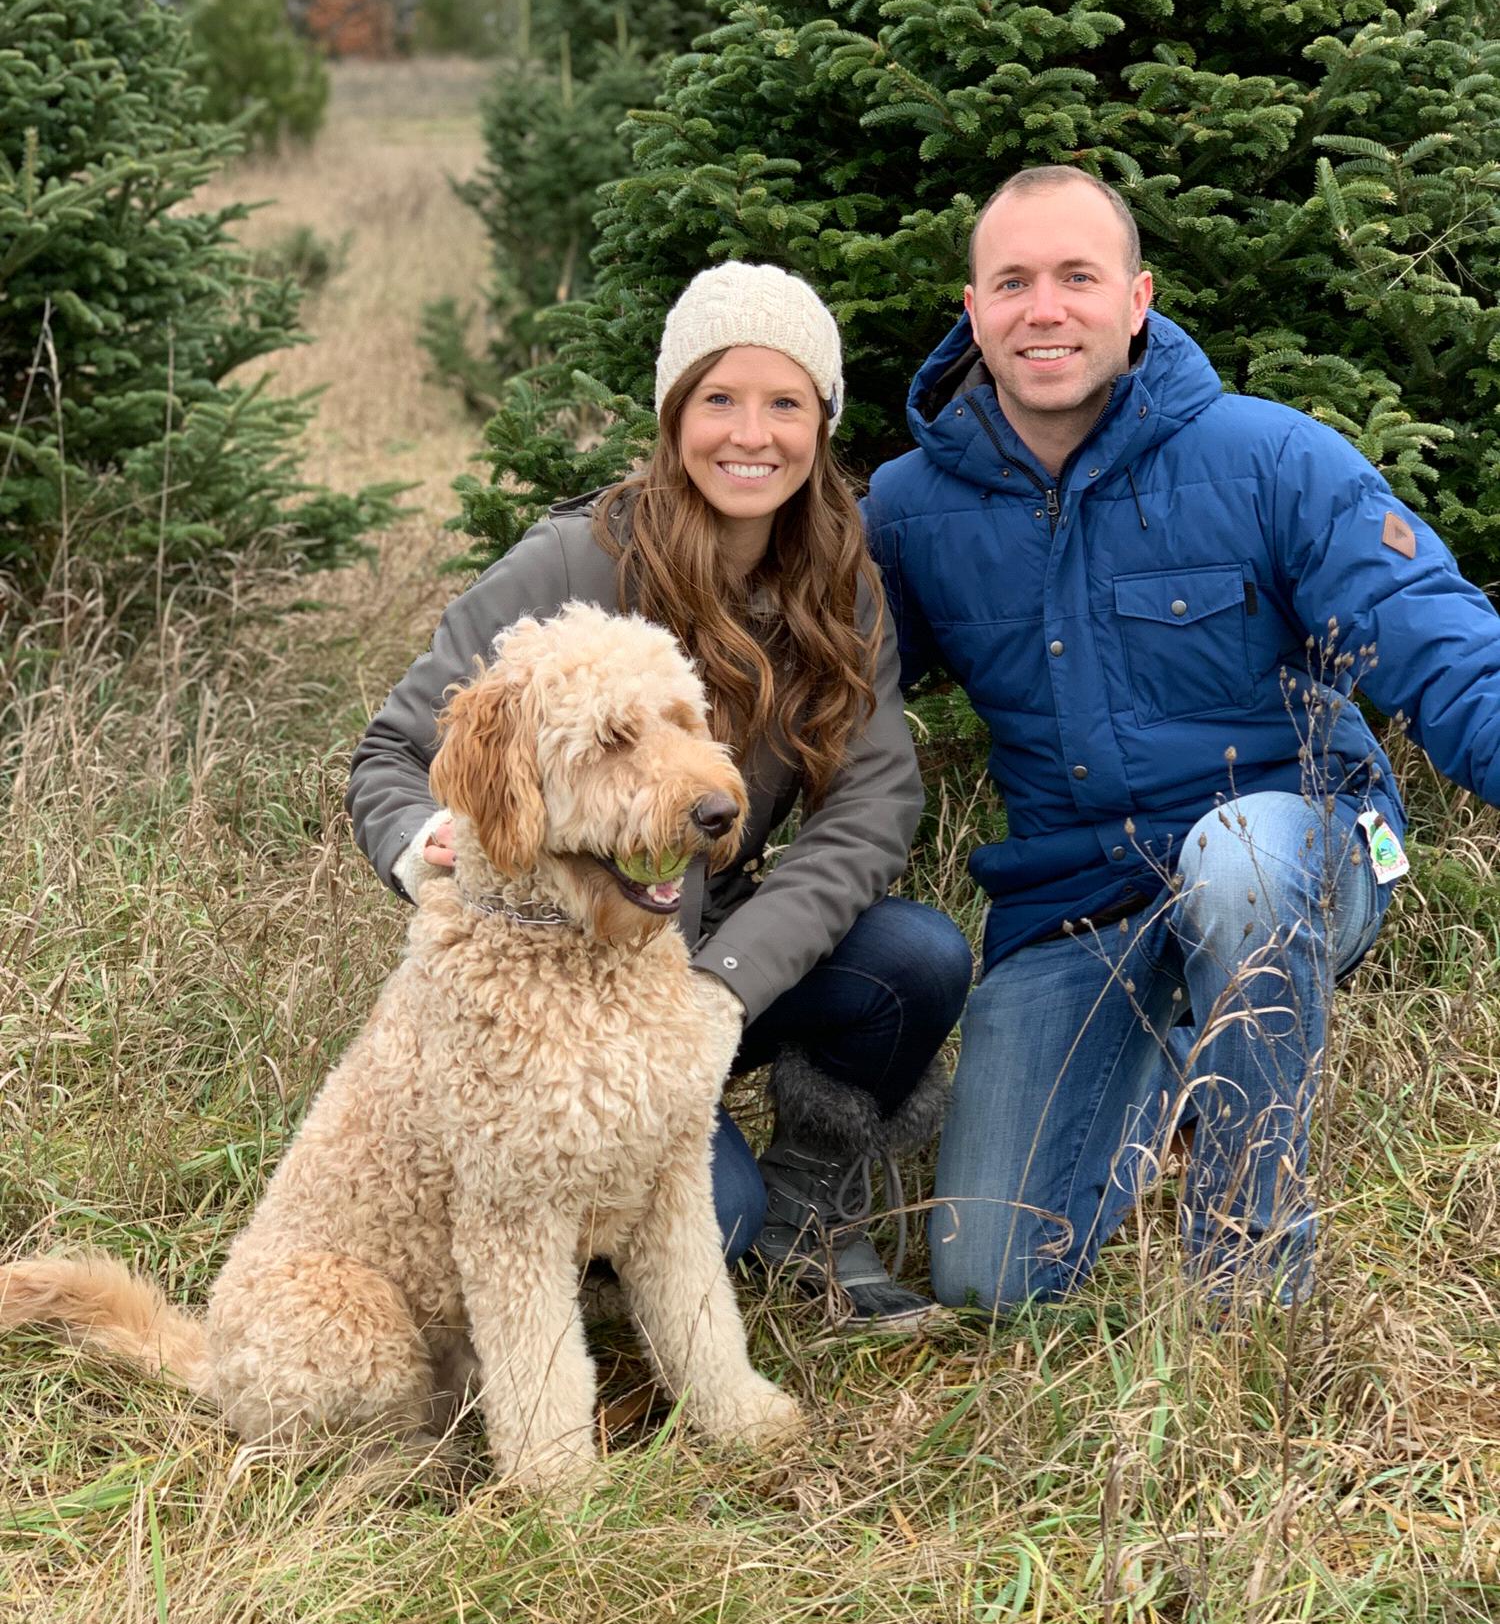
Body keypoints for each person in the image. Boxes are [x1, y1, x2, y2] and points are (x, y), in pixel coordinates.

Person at [864, 165, 1500, 1309]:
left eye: (1077, 277)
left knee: (1241, 865)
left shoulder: (1270, 459)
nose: (1044, 309)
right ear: (972, 310)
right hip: (1078, 897)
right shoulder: (910, 510)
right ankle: (1160, 1062)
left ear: (1138, 297)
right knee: (992, 1273)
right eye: (1012, 282)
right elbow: (808, 696)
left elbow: (1439, 642)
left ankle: (1248, 1263)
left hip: (1295, 849)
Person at [348, 261, 973, 1327]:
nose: (752, 433)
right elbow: (392, 754)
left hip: (714, 948)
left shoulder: (840, 575)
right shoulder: (574, 558)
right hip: (570, 975)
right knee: (701, 1220)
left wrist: (725, 982)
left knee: (918, 958)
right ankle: (564, 1286)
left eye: (786, 403)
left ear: (820, 423)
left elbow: (874, 806)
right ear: (675, 412)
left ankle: (812, 1208)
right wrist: (427, 847)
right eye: (719, 398)